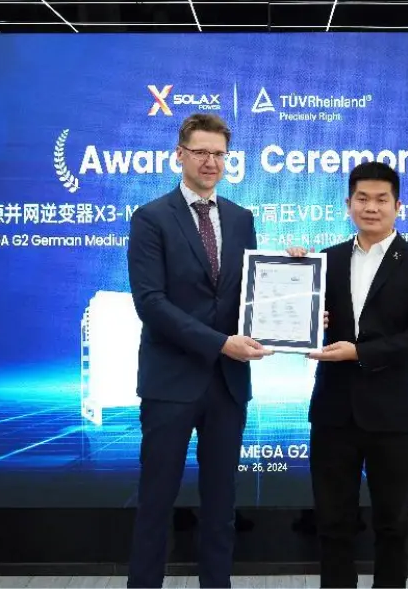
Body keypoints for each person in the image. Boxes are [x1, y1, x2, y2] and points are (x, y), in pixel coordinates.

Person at [126, 113, 271, 589]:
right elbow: (151, 303)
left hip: (227, 386)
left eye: (219, 154)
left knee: (221, 504)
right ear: (180, 155)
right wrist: (220, 344)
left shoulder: (241, 218)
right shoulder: (151, 218)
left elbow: (250, 296)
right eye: (201, 152)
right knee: (155, 503)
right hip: (171, 382)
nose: (211, 162)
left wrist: (290, 282)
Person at [288, 160, 408, 588]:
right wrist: (292, 275)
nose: (371, 207)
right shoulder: (327, 260)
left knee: (393, 525)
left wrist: (359, 352)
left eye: (381, 199)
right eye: (362, 199)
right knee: (332, 524)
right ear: (348, 204)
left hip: (393, 417)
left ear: (398, 206)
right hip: (334, 413)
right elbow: (304, 318)